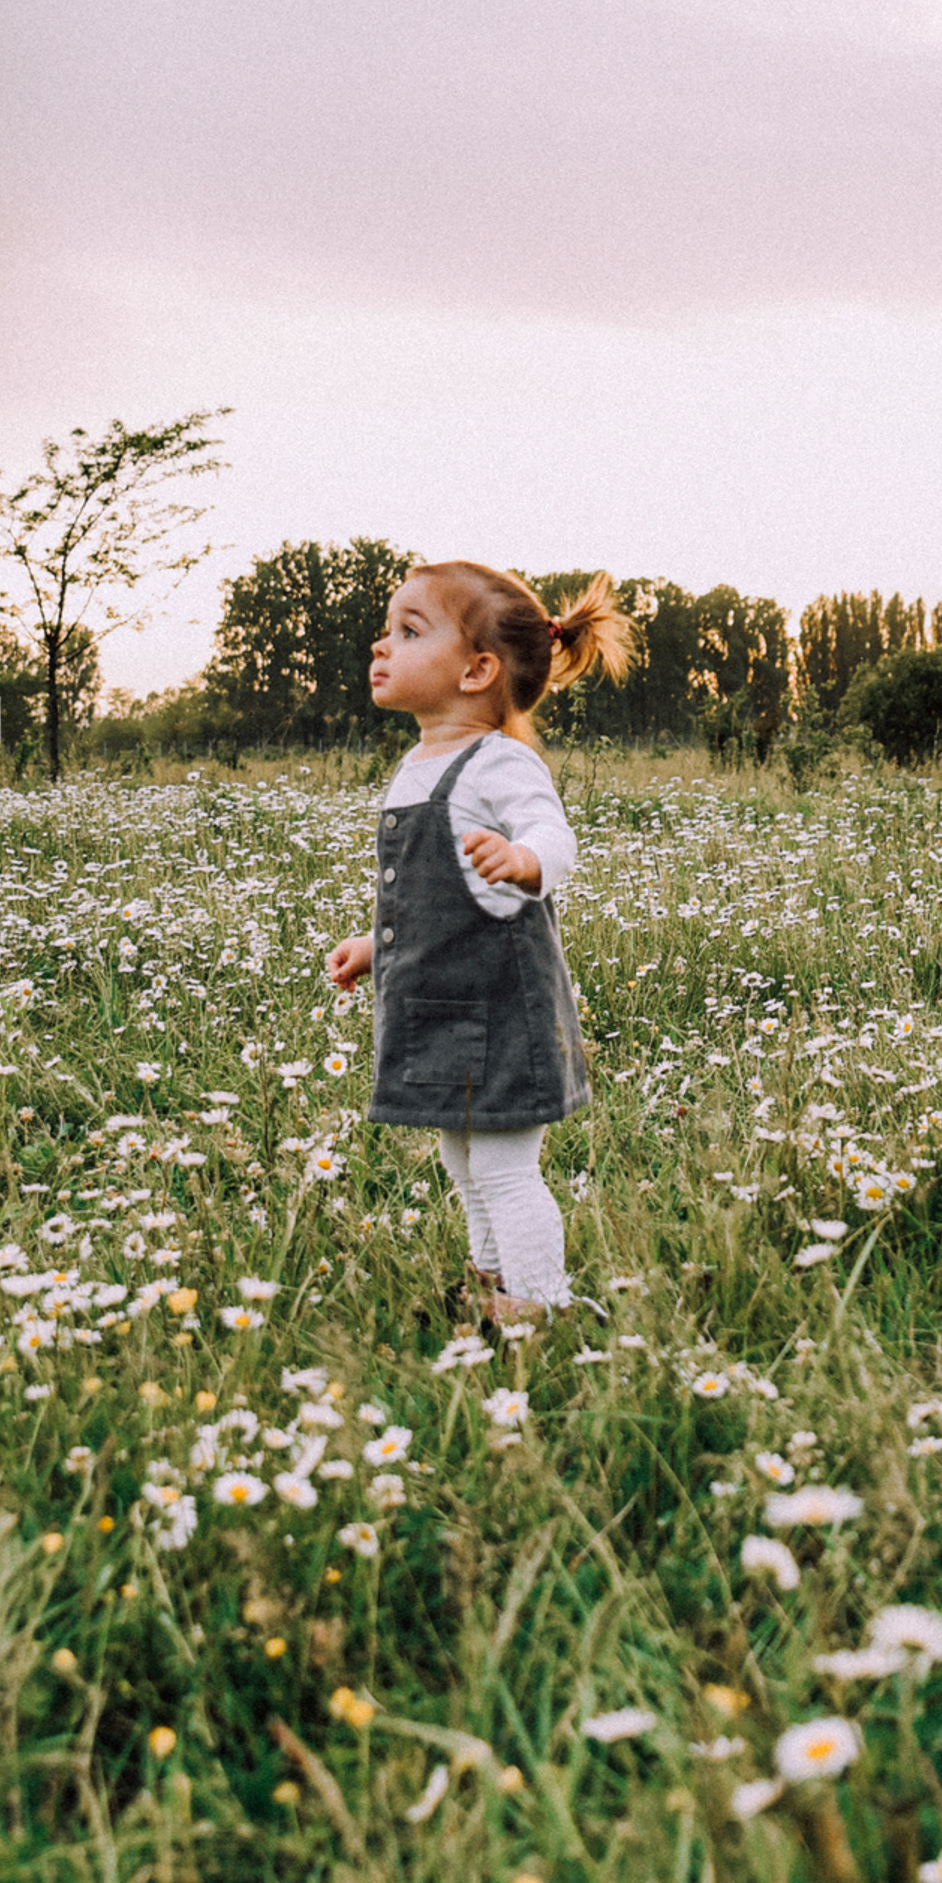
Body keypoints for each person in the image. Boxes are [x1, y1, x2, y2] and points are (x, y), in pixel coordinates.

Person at [325, 564, 633, 1322]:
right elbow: (434, 893)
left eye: (409, 630)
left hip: (499, 1008)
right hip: (438, 1001)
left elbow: (550, 835)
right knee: (462, 1163)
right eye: (387, 627)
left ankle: (541, 1304)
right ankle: (492, 1286)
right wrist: (377, 944)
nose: (381, 644)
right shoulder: (417, 763)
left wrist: (528, 862)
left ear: (477, 670)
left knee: (503, 1168)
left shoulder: (499, 760)